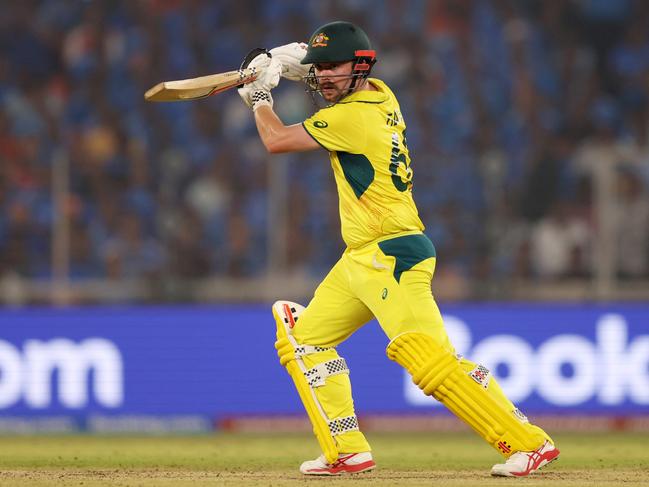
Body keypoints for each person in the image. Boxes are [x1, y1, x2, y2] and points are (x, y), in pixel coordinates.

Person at [237, 21, 560, 477]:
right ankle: (346, 450)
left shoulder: (352, 117)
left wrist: (259, 97)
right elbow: (332, 81)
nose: (323, 78)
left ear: (360, 68)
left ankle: (529, 443)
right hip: (360, 257)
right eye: (318, 70)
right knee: (302, 338)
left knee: (427, 359)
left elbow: (275, 140)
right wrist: (289, 65)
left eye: (333, 68)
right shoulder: (381, 94)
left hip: (391, 253)